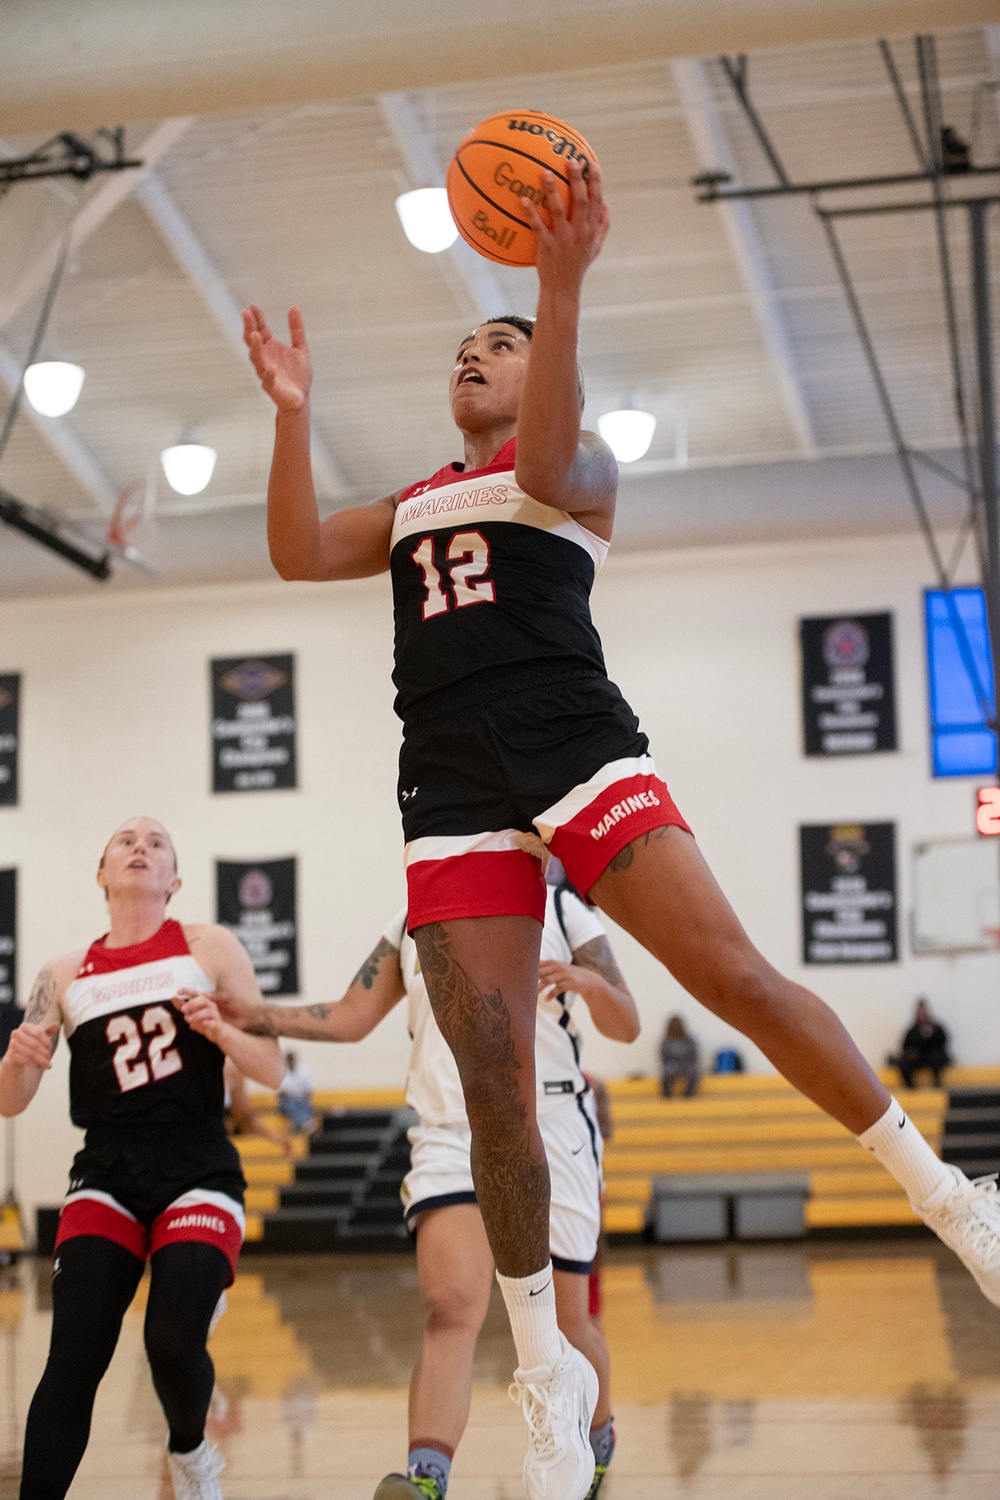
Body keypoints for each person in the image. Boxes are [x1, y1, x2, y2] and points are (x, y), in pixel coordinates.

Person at [244, 156, 1000, 1500]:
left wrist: (559, 285)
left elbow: (544, 444)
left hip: (577, 745)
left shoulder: (575, 463)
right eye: (462, 346)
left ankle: (952, 1202)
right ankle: (544, 1378)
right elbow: (299, 552)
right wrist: (293, 416)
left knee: (742, 980)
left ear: (546, 376)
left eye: (500, 346)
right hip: (452, 784)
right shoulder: (418, 501)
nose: (476, 356)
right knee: (491, 1089)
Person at [195, 880, 637, 1500]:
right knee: (449, 1307)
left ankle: (596, 1434)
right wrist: (257, 1015)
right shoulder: (413, 916)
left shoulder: (560, 906)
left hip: (549, 1124)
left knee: (567, 1319)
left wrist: (594, 986)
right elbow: (352, 1016)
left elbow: (628, 1024)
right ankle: (426, 1477)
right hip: (449, 1127)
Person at [2, 817, 284, 1500]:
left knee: (171, 1341)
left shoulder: (208, 947)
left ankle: (190, 1452)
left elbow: (271, 1065)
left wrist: (220, 1028)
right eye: (124, 842)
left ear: (174, 880)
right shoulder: (63, 973)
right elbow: (12, 1101)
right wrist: (15, 1061)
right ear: (101, 874)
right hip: (106, 1171)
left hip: (197, 1165)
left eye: (156, 843)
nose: (139, 847)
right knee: (72, 1356)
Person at [894, 1000, 951, 1089]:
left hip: (932, 1057)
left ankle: (937, 1085)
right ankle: (910, 1088)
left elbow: (943, 1042)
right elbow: (905, 1046)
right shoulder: (912, 1030)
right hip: (918, 1058)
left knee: (937, 1057)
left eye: (924, 1011)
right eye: (920, 1011)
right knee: (904, 1063)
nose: (922, 1014)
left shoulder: (936, 1028)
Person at [659, 1015, 700, 1098]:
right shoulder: (666, 1041)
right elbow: (663, 1056)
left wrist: (688, 1063)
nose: (676, 1027)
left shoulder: (689, 1040)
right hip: (672, 1064)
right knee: (666, 1070)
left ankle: (688, 1095)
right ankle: (666, 1095)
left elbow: (694, 1054)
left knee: (694, 1071)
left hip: (686, 1064)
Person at [277, 1049, 314, 1133]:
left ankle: (298, 1124)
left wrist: (297, 1095)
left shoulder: (304, 1072)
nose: (291, 1062)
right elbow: (282, 1092)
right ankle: (303, 1123)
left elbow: (308, 1091)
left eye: (292, 1059)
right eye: (289, 1060)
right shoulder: (281, 1072)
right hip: (287, 1101)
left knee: (304, 1103)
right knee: (291, 1104)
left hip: (301, 1100)